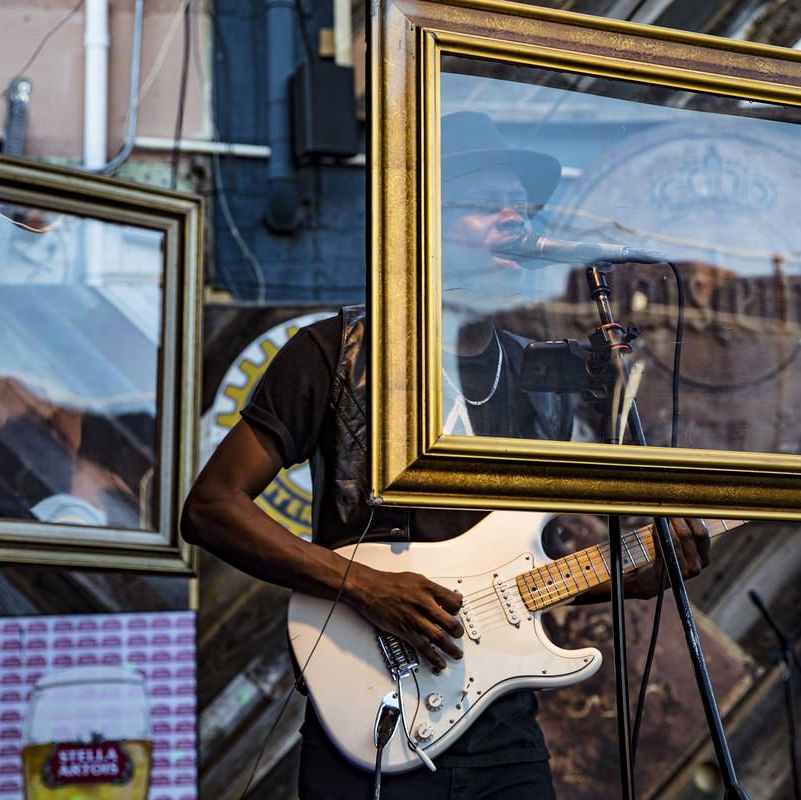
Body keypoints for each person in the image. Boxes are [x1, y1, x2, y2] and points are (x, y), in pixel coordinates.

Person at [180, 111, 711, 799]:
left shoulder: (540, 376)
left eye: (520, 207)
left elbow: (516, 578)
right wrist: (365, 588)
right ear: (422, 225)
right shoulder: (332, 354)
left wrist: (634, 572)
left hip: (504, 732)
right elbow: (210, 508)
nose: (514, 220)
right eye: (486, 204)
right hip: (369, 718)